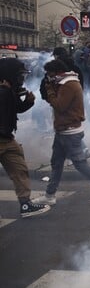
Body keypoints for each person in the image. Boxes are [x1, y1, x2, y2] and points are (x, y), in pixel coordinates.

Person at [32, 59, 90, 207]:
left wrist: (50, 90)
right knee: (56, 163)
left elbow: (60, 106)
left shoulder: (69, 84)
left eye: (50, 74)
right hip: (63, 130)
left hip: (70, 131)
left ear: (57, 72)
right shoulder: (64, 83)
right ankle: (50, 195)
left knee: (80, 164)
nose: (49, 77)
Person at [0, 58, 51, 218]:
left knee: (19, 169)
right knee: (19, 169)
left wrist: (27, 102)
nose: (21, 79)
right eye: (19, 76)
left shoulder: (8, 90)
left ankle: (25, 204)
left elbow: (15, 109)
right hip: (3, 137)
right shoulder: (3, 91)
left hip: (7, 139)